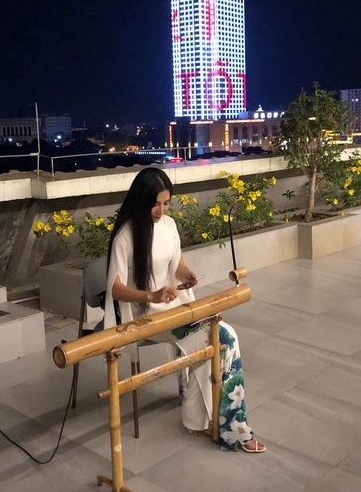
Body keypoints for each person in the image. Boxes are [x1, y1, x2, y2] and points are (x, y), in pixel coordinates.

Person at [103, 167, 266, 453]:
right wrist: (151, 294)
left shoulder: (168, 225)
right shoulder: (125, 237)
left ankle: (201, 418)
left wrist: (186, 274)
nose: (161, 210)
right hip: (148, 316)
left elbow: (176, 264)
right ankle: (233, 429)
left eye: (166, 203)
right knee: (223, 337)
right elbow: (115, 288)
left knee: (218, 336)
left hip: (175, 307)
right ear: (141, 200)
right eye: (155, 204)